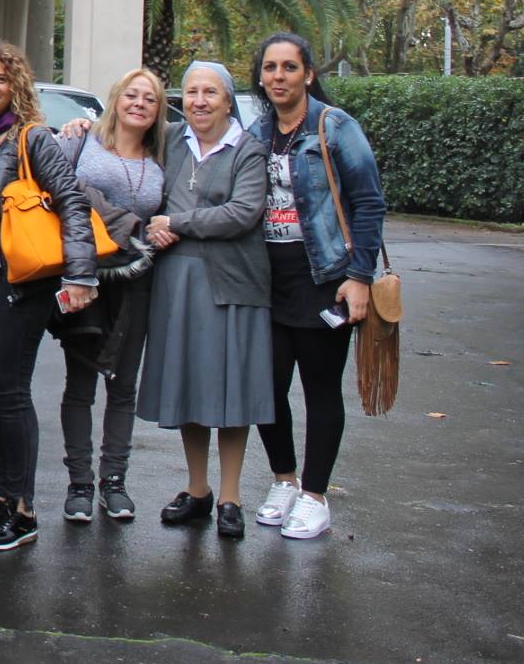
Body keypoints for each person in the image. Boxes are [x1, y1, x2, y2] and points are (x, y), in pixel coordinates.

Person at [0, 39, 97, 554]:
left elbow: (72, 201)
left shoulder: (30, 139)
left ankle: (23, 508)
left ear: (16, 86)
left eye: (0, 79)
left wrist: (80, 274)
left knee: (11, 395)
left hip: (15, 285)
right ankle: (0, 495)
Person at [246, 32, 386, 542]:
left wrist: (359, 276)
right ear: (260, 76)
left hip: (324, 279)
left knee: (320, 389)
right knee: (266, 388)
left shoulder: (334, 126)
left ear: (307, 73)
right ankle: (284, 480)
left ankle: (315, 496)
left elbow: (369, 203)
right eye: (270, 68)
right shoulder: (257, 132)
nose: (278, 76)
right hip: (267, 282)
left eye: (288, 67)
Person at [137, 61, 273, 542]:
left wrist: (175, 222)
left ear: (227, 99)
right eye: (191, 91)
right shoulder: (171, 139)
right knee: (190, 388)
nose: (198, 101)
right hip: (177, 285)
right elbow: (119, 129)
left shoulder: (248, 150)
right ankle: (198, 490)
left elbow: (242, 213)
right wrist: (76, 126)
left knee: (231, 394)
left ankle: (232, 496)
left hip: (233, 284)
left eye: (210, 92)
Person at [52, 67, 169, 525]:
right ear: (116, 98)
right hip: (87, 277)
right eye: (132, 95)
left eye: (151, 99)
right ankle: (79, 483)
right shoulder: (81, 140)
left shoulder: (164, 154)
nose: (139, 104)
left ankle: (114, 483)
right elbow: (51, 186)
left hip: (138, 280)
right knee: (79, 386)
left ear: (158, 111)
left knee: (123, 386)